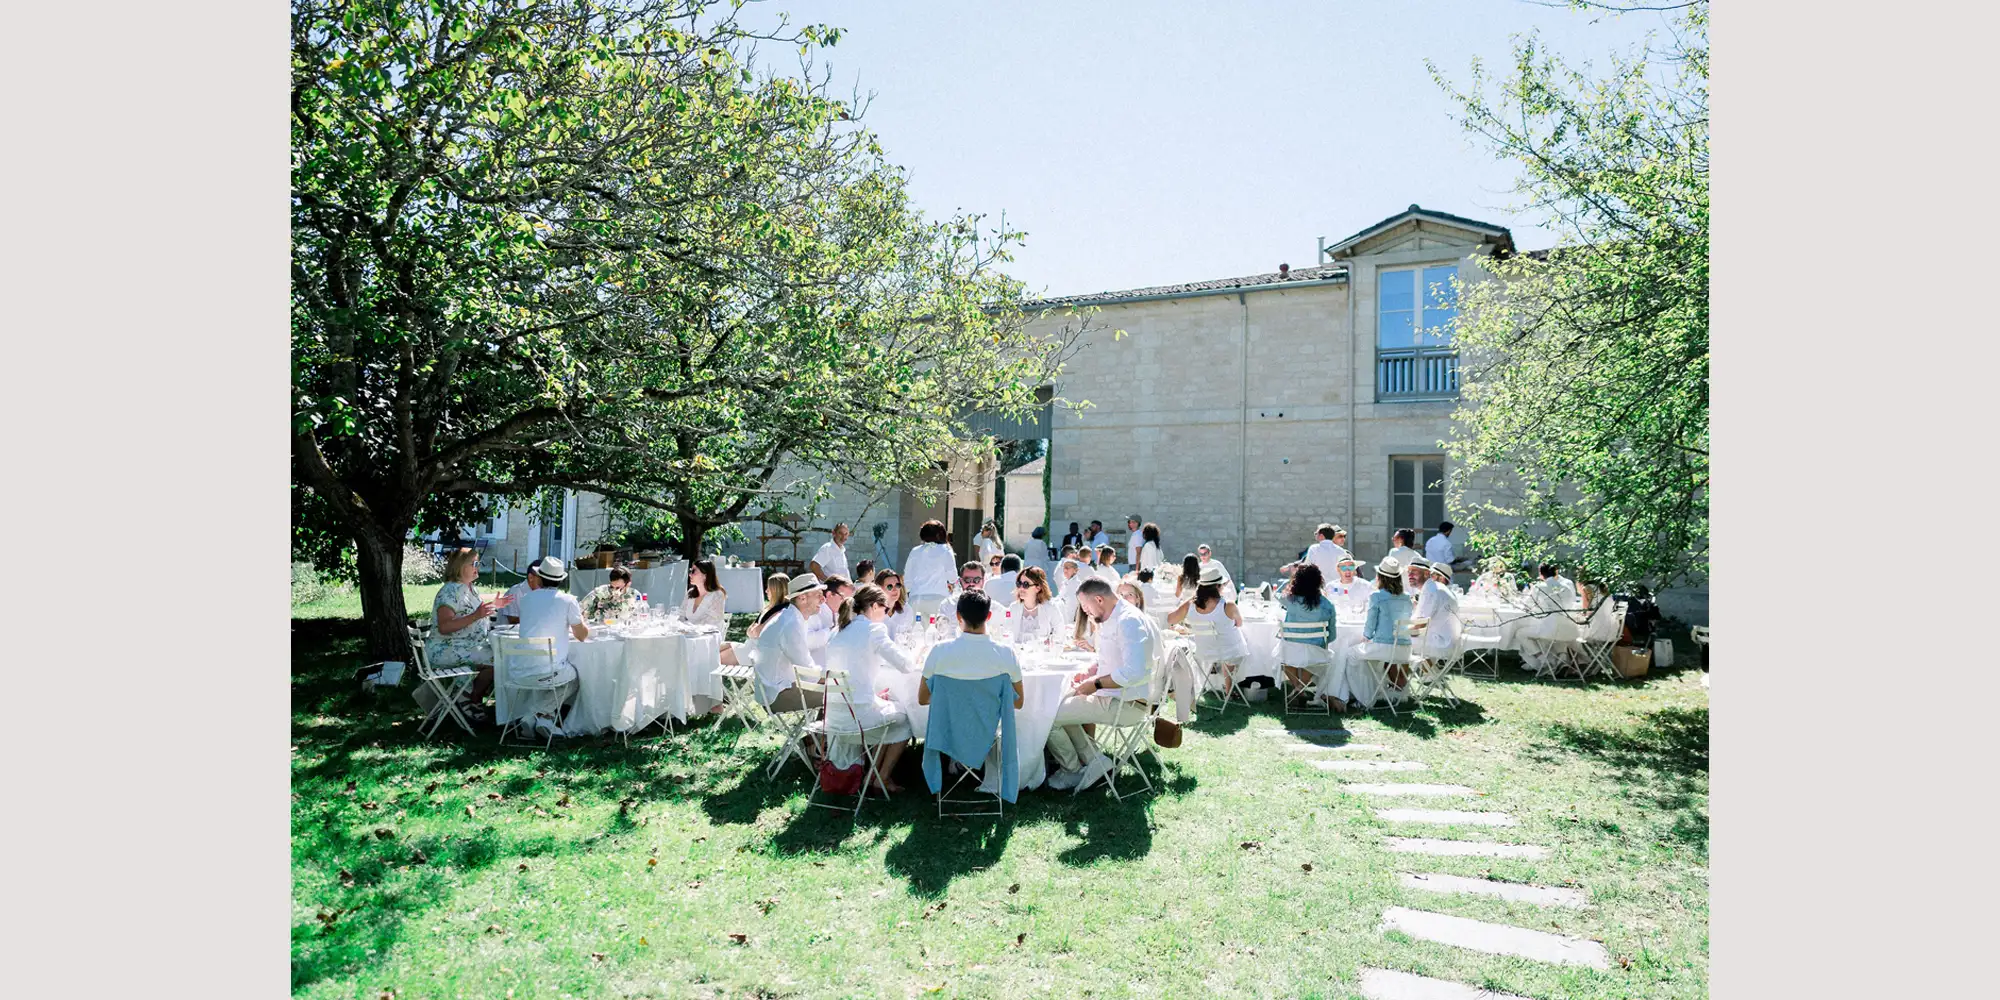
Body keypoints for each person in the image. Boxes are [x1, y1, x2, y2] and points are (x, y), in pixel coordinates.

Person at [1046, 579, 1160, 791]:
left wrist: (1096, 683)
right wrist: (1091, 671)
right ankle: (1094, 761)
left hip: (1127, 704)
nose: (1086, 612)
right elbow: (1111, 659)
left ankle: (1071, 770)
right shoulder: (1114, 617)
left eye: (1086, 607)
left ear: (1099, 599)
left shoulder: (1128, 621)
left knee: (1048, 716)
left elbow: (1133, 671)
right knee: (1061, 704)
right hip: (1117, 697)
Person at [824, 584, 917, 794]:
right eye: (885, 608)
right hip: (857, 718)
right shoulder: (874, 629)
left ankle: (873, 774)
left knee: (887, 707)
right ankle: (880, 778)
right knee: (904, 719)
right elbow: (905, 665)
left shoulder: (837, 630)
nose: (886, 613)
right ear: (874, 606)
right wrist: (916, 656)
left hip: (834, 717)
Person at [916, 591, 1027, 755]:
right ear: (989, 616)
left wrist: (957, 702)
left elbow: (923, 699)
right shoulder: (1006, 653)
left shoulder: (939, 651)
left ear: (958, 616)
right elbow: (1018, 702)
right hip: (989, 726)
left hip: (950, 727)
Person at [507, 557, 586, 734]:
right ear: (561, 580)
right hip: (548, 671)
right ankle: (540, 714)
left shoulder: (526, 599)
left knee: (555, 672)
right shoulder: (568, 600)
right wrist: (582, 621)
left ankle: (538, 717)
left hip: (518, 669)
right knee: (574, 678)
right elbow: (581, 636)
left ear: (540, 578)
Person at [426, 547, 507, 718]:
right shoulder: (450, 591)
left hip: (465, 646)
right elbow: (445, 626)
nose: (478, 566)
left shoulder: (469, 588)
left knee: (500, 656)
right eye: (474, 563)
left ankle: (469, 697)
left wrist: (494, 605)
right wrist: (476, 615)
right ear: (461, 567)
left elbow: (473, 612)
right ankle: (470, 698)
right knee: (498, 660)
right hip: (446, 648)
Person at [1329, 556, 1414, 712]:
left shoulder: (1377, 596)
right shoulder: (1407, 597)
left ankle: (1364, 698)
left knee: (1350, 655)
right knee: (1363, 657)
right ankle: (1375, 690)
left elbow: (1370, 627)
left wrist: (1366, 637)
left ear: (1380, 577)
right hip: (1405, 649)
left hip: (1384, 647)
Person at [1167, 563, 1247, 700]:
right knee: (1235, 642)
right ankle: (1229, 689)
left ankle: (1218, 686)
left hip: (1203, 653)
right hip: (1228, 652)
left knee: (1223, 645)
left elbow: (1170, 619)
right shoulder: (1229, 605)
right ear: (1217, 586)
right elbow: (1239, 623)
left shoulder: (1190, 604)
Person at [752, 574, 829, 711]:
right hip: (777, 695)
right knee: (841, 694)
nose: (823, 599)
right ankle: (820, 732)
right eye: (818, 595)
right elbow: (807, 671)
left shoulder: (790, 617)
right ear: (802, 598)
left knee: (837, 689)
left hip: (773, 688)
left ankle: (818, 732)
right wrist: (835, 678)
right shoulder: (791, 624)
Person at [1277, 563, 1338, 707]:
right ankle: (1301, 689)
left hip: (1290, 651)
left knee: (1282, 655)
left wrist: (1291, 577)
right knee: (1311, 657)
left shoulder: (1290, 600)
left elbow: (1276, 594)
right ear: (1319, 581)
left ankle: (1298, 689)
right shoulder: (1328, 605)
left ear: (1296, 581)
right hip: (1315, 653)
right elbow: (1332, 636)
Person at [1411, 560, 1462, 665]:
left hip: (1442, 642)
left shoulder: (1432, 589)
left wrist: (1399, 631)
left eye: (1432, 575)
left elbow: (1420, 625)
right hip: (1450, 640)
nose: (1410, 575)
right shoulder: (1438, 589)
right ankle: (1430, 675)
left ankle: (1398, 678)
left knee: (1395, 641)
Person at [904, 519, 958, 617]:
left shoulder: (915, 551)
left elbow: (907, 576)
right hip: (939, 597)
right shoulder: (946, 550)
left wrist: (909, 592)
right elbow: (952, 577)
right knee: (938, 630)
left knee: (917, 630)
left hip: (917, 598)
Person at [1011, 566, 1067, 646]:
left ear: (1038, 588)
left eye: (1026, 584)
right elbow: (1007, 632)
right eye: (1019, 584)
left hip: (1042, 655)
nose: (1021, 588)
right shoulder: (1013, 608)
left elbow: (1060, 634)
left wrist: (1050, 642)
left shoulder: (1050, 608)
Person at [809, 575, 854, 665]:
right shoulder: (813, 612)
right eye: (844, 598)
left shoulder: (838, 613)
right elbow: (808, 641)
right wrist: (834, 631)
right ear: (829, 594)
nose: (847, 604)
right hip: (813, 674)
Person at [1286, 524, 1350, 584]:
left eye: (1316, 534)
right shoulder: (1341, 551)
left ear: (1321, 536)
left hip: (1318, 585)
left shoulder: (1314, 548)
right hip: (1336, 585)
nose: (1315, 535)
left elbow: (1307, 566)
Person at [681, 560, 728, 627]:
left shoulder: (717, 595)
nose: (690, 574)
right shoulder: (690, 593)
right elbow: (681, 614)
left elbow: (712, 620)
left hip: (709, 635)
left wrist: (688, 627)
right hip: (690, 633)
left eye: (694, 571)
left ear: (705, 575)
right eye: (690, 571)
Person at [872, 569, 915, 642]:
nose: (895, 589)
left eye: (898, 585)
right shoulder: (872, 612)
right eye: (889, 587)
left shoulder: (907, 610)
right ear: (879, 589)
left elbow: (909, 638)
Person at [501, 557, 541, 624]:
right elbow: (513, 620)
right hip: (507, 632)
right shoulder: (515, 592)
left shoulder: (542, 592)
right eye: (541, 578)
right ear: (531, 577)